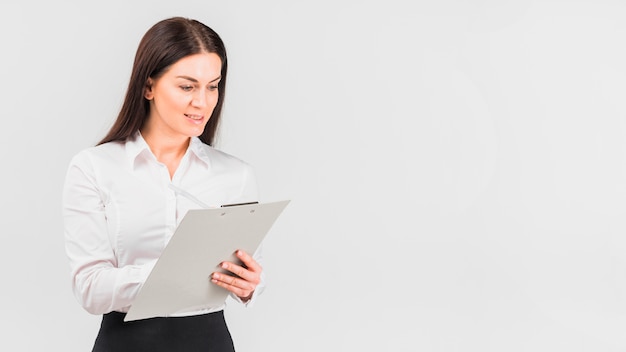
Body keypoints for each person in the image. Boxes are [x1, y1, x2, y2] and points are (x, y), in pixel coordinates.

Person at [62, 17, 264, 351]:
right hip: (125, 343)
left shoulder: (236, 175)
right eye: (187, 86)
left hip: (210, 341)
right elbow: (89, 288)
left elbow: (247, 269)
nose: (203, 102)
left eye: (212, 86)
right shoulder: (94, 168)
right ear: (149, 86)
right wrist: (172, 274)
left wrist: (250, 285)